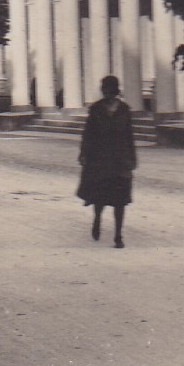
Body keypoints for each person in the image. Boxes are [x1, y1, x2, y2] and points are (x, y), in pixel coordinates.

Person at [76, 75, 137, 249]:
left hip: (120, 160)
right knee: (100, 196)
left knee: (121, 199)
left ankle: (118, 235)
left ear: (114, 91)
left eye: (108, 89)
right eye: (104, 89)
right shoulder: (96, 109)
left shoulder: (124, 110)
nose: (106, 93)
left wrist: (132, 158)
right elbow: (88, 134)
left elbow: (129, 136)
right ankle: (97, 219)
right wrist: (84, 153)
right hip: (100, 159)